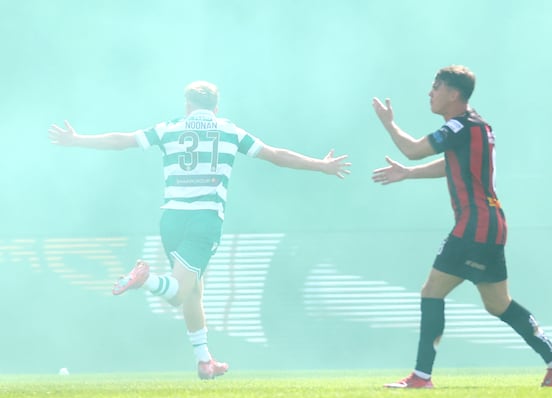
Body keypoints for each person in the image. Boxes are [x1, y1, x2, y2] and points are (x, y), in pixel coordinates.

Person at [48, 80, 351, 379]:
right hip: (204, 218)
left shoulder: (169, 128)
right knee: (179, 293)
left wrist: (78, 139)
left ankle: (205, 361)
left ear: (188, 106)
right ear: (216, 108)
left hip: (171, 219)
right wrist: (320, 165)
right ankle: (146, 279)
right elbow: (275, 156)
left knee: (194, 290)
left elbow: (122, 140)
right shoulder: (230, 130)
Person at [372, 65, 552, 389]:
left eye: (436, 87)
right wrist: (409, 175)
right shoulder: (475, 124)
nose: (430, 92)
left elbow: (411, 149)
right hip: (492, 224)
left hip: (474, 224)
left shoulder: (458, 127)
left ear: (453, 93)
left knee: (431, 291)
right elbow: (451, 164)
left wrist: (389, 124)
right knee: (498, 304)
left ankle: (421, 377)